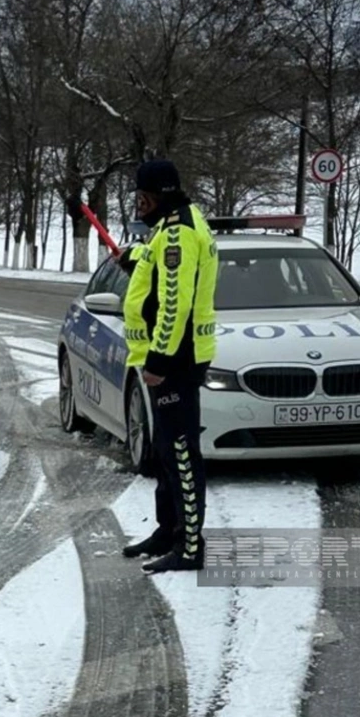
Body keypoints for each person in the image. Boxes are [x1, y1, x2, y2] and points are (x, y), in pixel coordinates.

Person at [116, 159, 218, 573]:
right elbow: (161, 269)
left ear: (157, 195)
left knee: (180, 453)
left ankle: (190, 546)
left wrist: (159, 361)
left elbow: (175, 305)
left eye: (141, 197)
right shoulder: (172, 225)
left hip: (177, 359)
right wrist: (137, 258)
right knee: (164, 450)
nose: (138, 204)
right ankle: (168, 529)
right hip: (173, 357)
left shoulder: (178, 232)